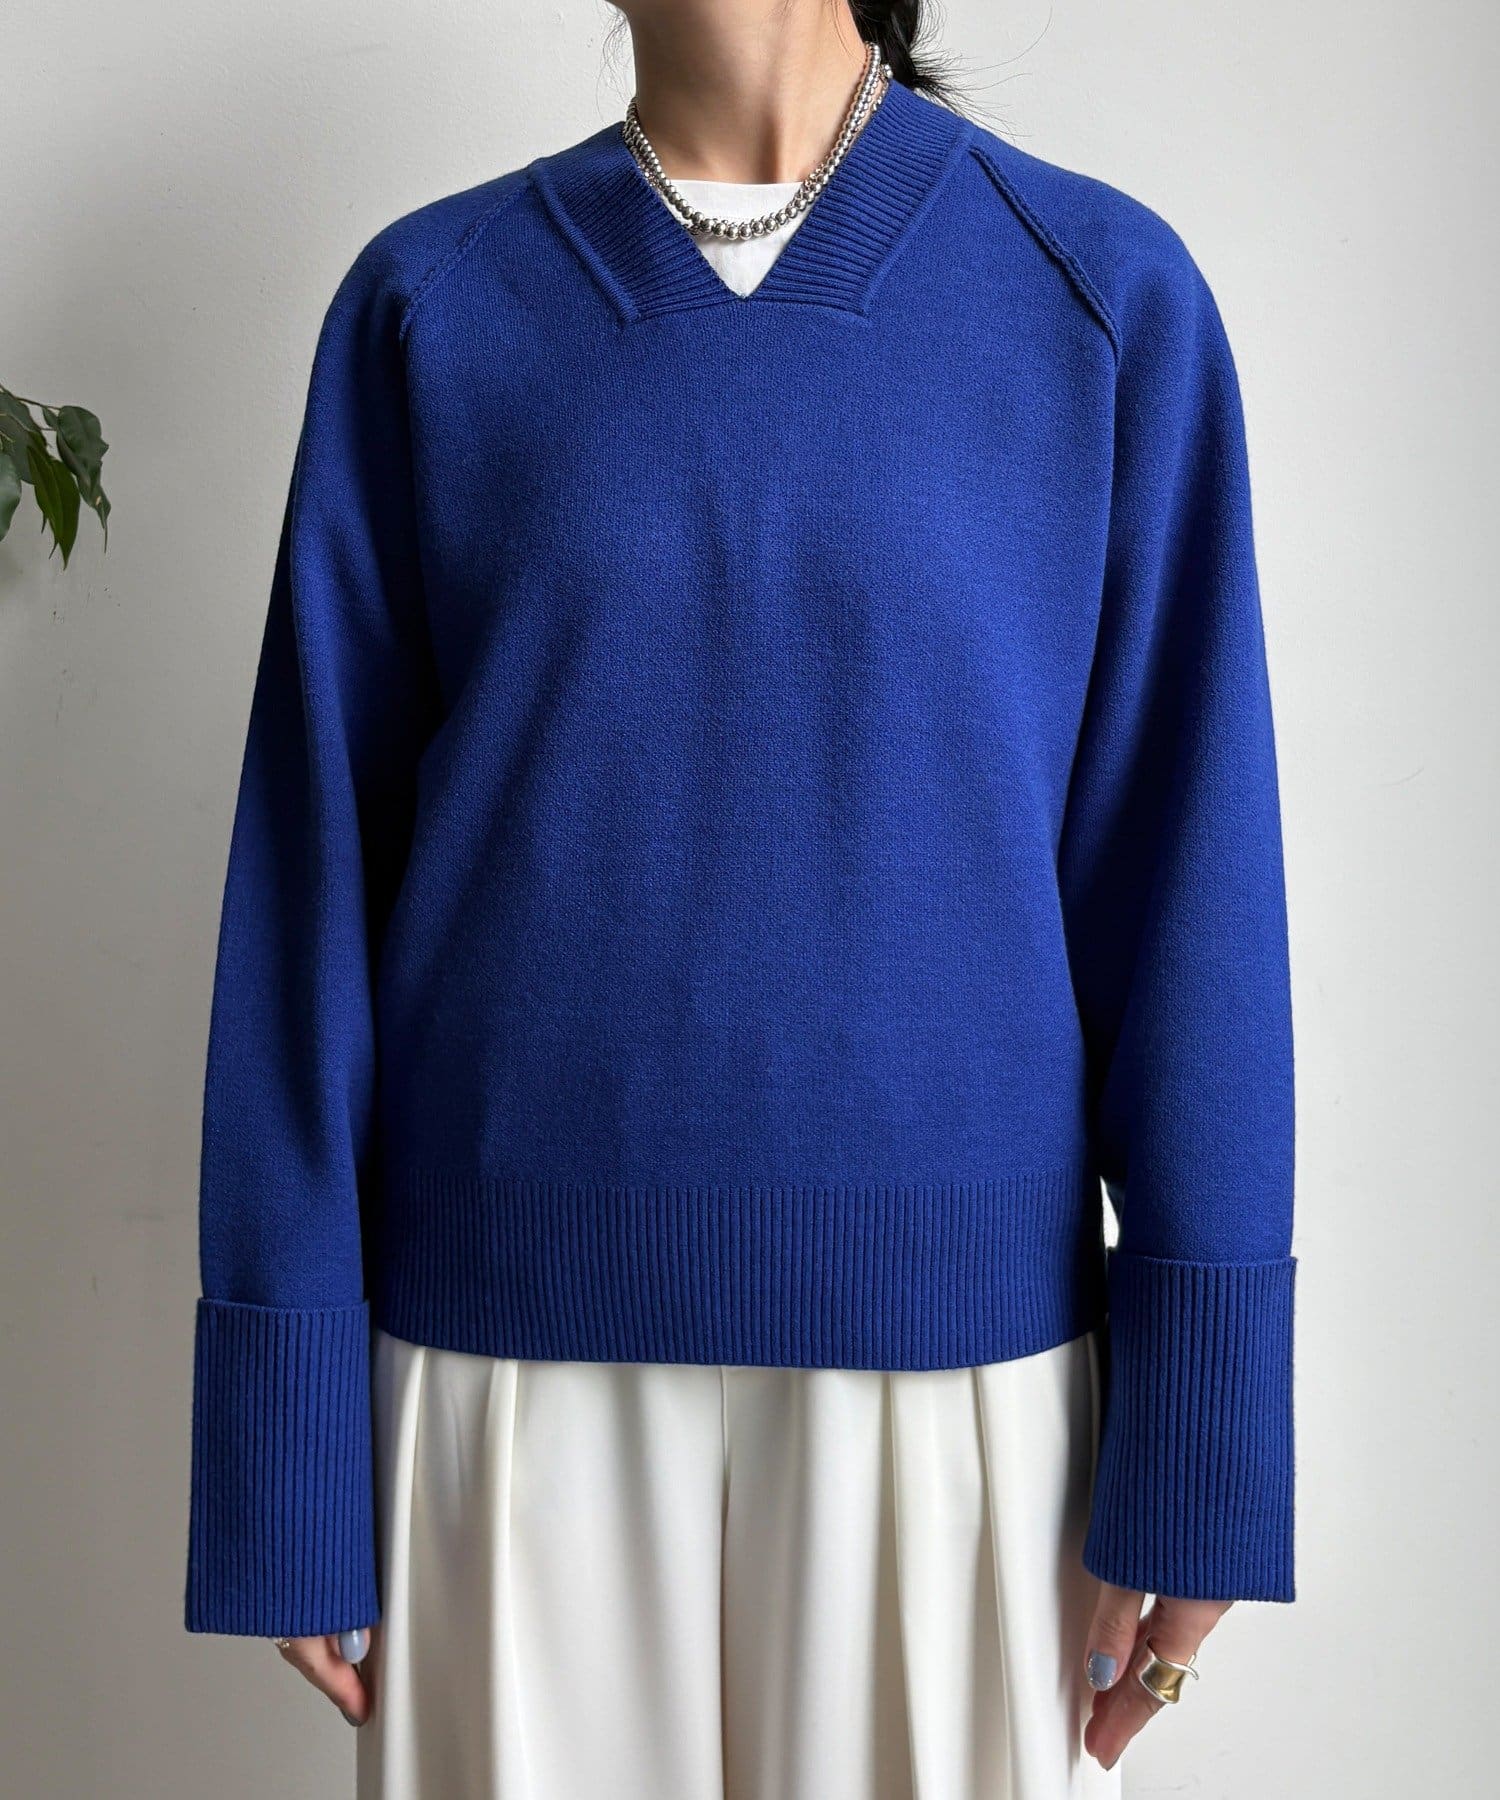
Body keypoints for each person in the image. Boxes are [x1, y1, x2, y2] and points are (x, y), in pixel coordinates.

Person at [182, 2, 1299, 1794]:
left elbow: (1190, 885)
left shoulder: (1099, 296)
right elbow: (309, 883)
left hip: (960, 1397)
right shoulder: (431, 307)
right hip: (502, 1386)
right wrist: (284, 1436)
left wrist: (1205, 1444)